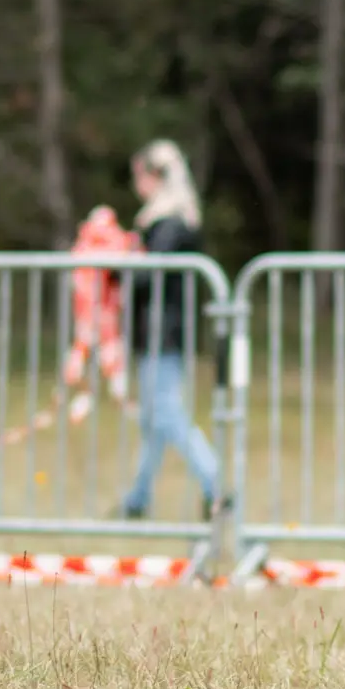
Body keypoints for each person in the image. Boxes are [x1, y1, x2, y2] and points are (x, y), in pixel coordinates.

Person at [118, 139, 228, 522]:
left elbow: (150, 276)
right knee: (153, 420)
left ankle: (217, 486)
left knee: (166, 414)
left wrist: (121, 261)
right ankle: (137, 498)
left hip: (163, 332)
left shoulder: (170, 222)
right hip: (157, 331)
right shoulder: (166, 219)